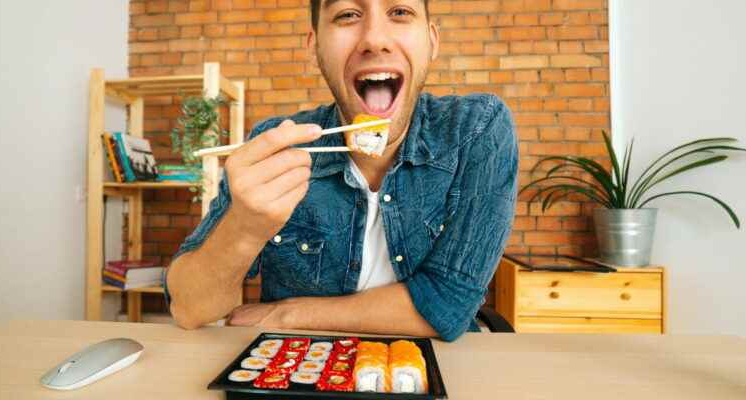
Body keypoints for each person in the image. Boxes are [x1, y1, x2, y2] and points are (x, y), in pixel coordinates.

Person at [165, 0, 517, 341]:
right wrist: (243, 227)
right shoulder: (277, 146)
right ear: (314, 46)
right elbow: (190, 309)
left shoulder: (477, 129)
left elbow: (448, 303)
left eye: (399, 12)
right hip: (300, 370)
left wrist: (288, 314)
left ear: (432, 41)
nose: (374, 39)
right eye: (348, 15)